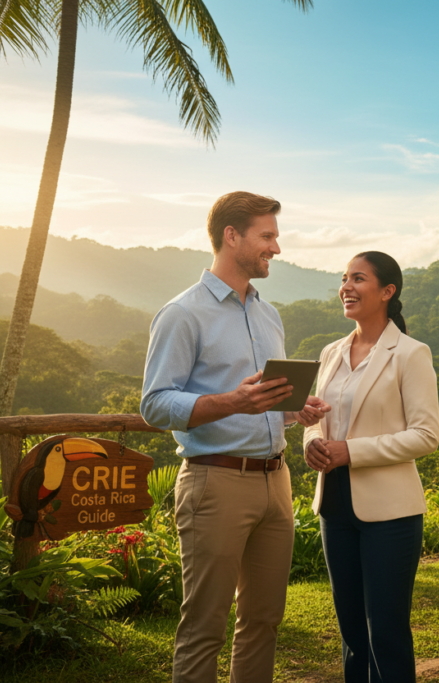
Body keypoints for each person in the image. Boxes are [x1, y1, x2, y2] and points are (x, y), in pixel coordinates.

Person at [141, 191, 330, 683]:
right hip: (215, 482)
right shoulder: (182, 313)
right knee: (205, 626)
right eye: (267, 236)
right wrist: (232, 401)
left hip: (277, 480)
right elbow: (156, 404)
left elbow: (262, 402)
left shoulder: (269, 315)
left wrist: (294, 409)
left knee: (264, 621)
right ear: (232, 236)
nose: (277, 248)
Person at [302, 251, 439, 683]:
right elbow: (318, 420)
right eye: (344, 278)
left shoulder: (411, 353)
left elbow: (426, 435)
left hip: (391, 515)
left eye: (357, 278)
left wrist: (350, 451)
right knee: (351, 633)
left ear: (387, 291)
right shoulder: (330, 353)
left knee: (386, 631)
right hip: (334, 506)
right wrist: (312, 442)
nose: (346, 287)